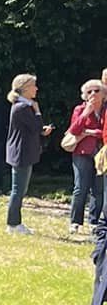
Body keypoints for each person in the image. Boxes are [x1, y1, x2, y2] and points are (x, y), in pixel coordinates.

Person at [4, 75, 52, 235]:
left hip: (22, 152)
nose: (36, 88)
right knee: (18, 190)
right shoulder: (22, 107)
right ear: (24, 88)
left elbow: (33, 128)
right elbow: (35, 127)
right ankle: (13, 224)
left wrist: (40, 127)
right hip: (21, 153)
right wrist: (37, 111)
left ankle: (15, 223)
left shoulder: (22, 106)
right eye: (33, 85)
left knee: (20, 189)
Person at [64, 79, 106, 235]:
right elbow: (74, 130)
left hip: (101, 153)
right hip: (82, 153)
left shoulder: (105, 110)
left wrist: (90, 132)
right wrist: (86, 113)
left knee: (98, 189)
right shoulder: (79, 109)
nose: (93, 94)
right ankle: (75, 222)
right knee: (80, 188)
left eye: (97, 90)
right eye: (89, 92)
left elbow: (104, 131)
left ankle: (94, 221)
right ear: (84, 95)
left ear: (104, 94)